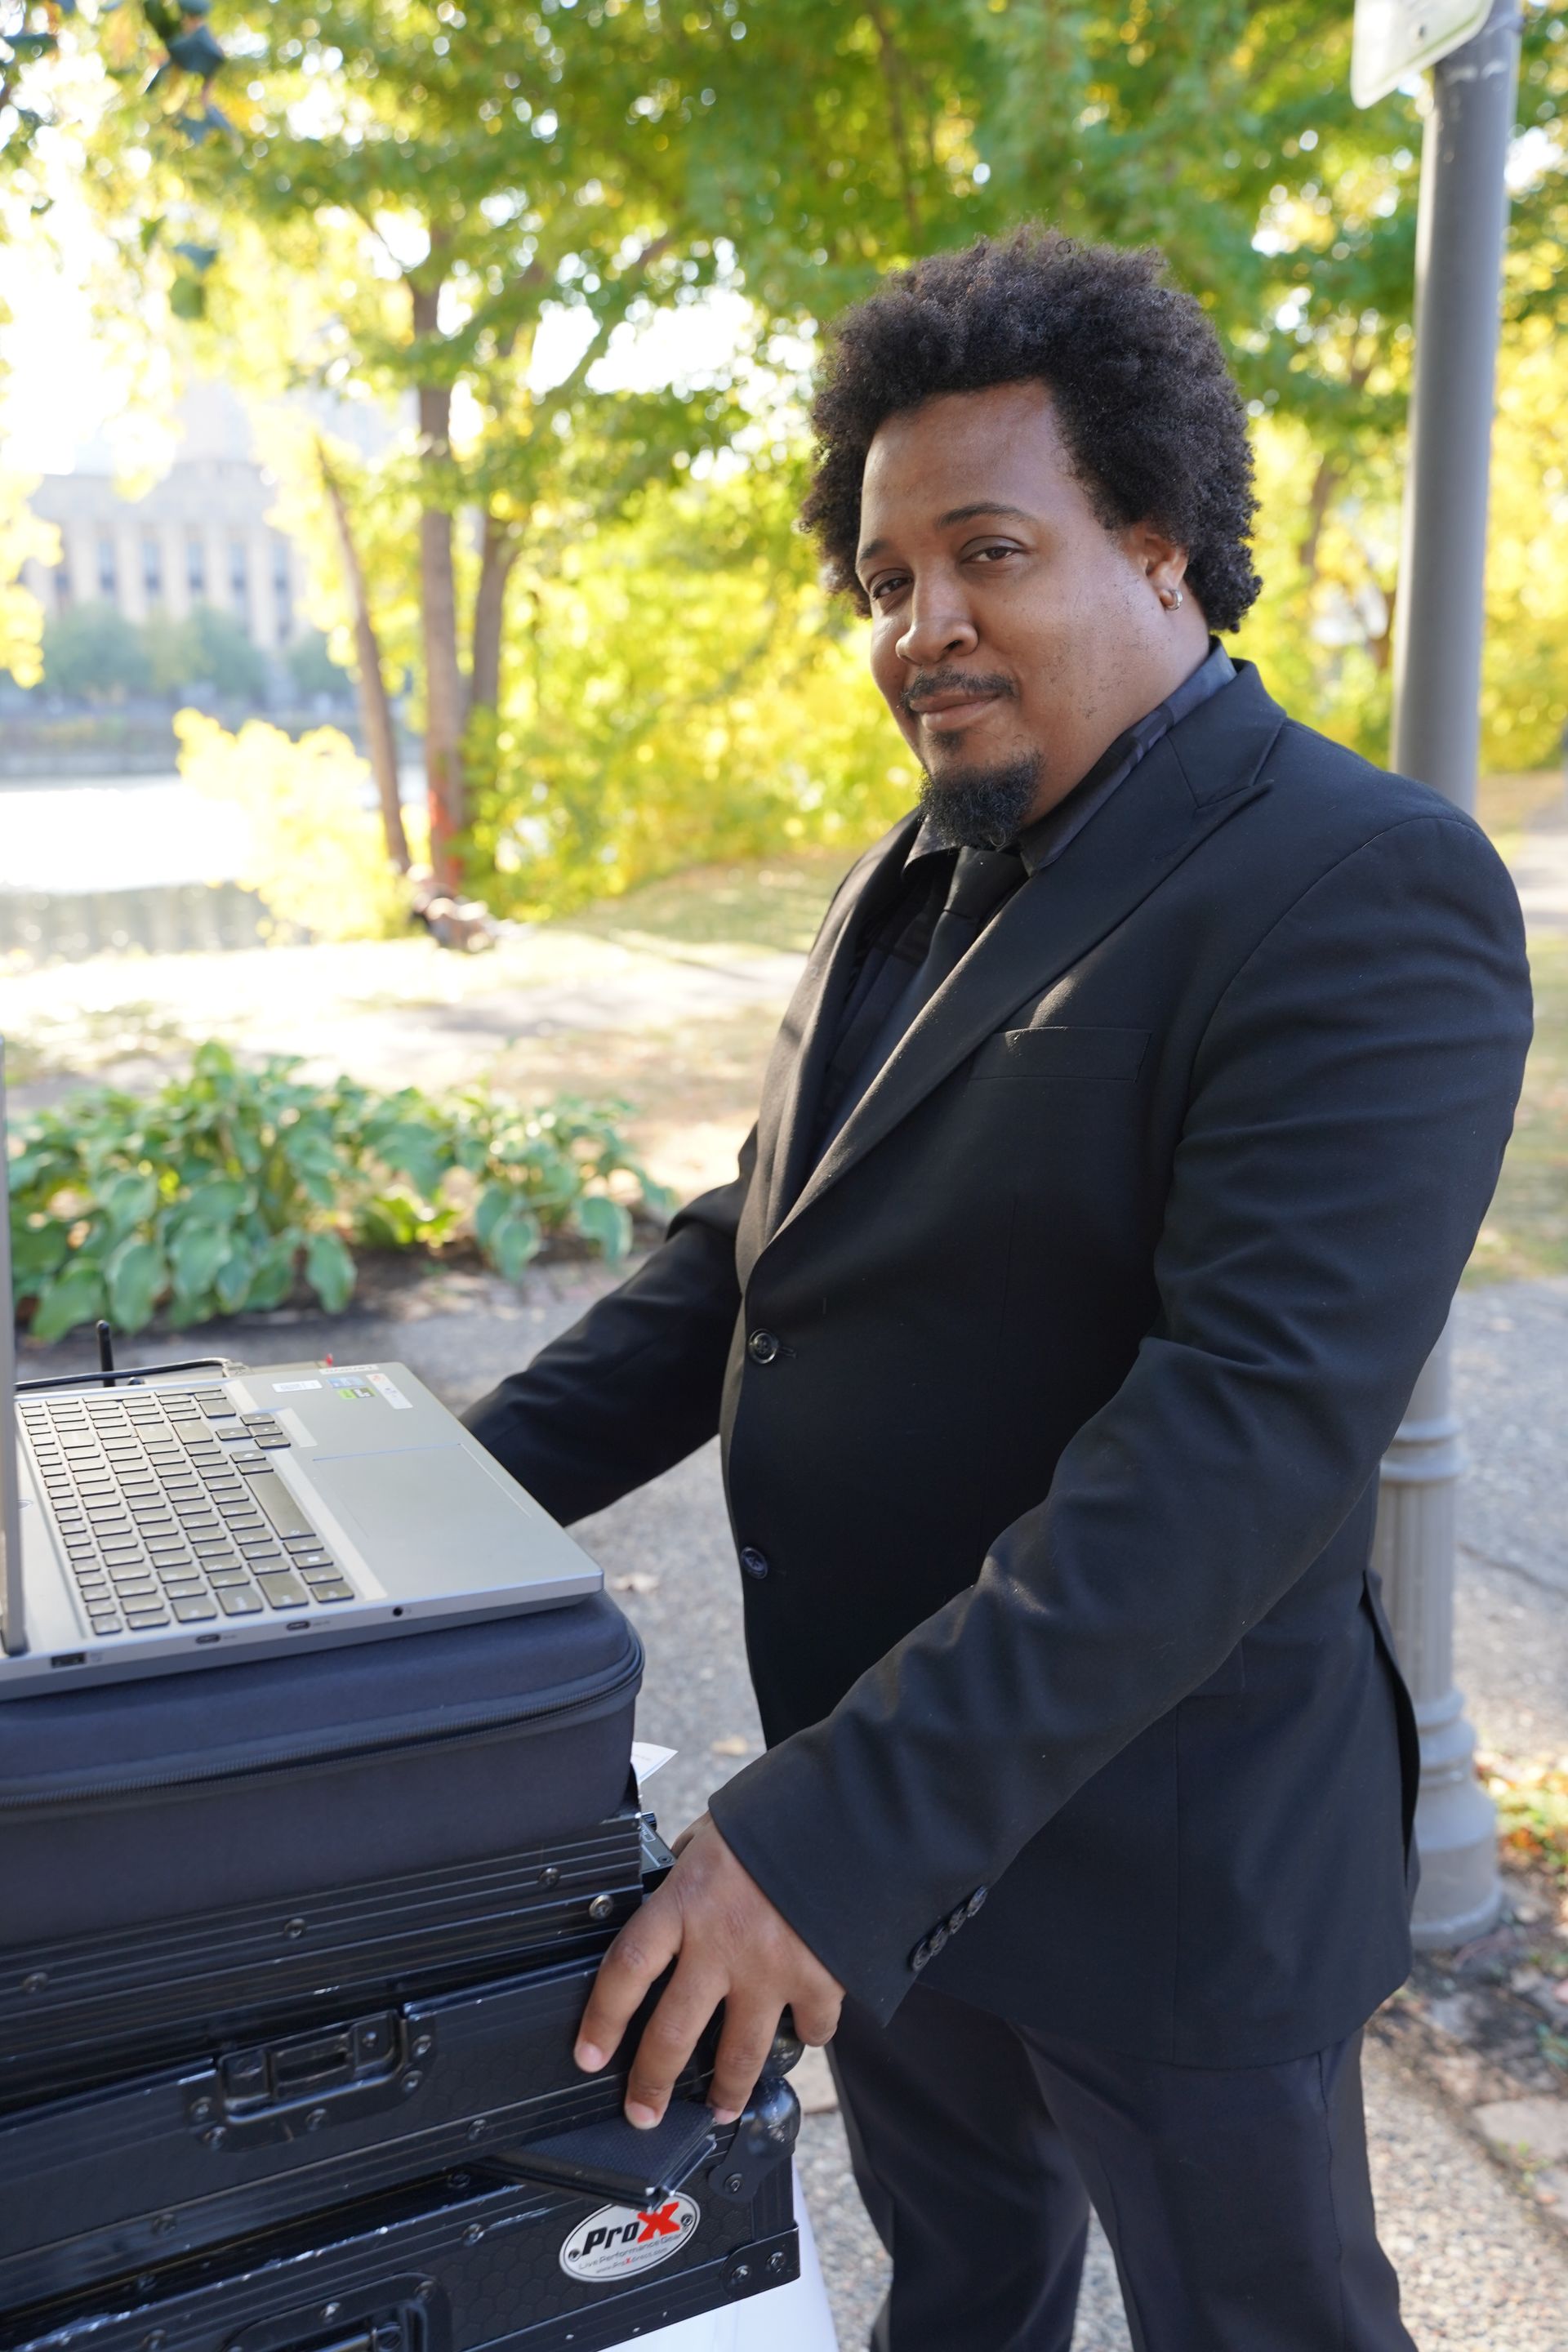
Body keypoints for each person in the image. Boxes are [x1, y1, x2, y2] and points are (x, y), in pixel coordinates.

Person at [464, 229, 1533, 2350]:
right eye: (883, 580)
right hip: (879, 1834)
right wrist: (419, 1507)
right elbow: (753, 1249)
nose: (920, 625)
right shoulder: (926, 848)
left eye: (986, 554)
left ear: (1159, 545)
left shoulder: (1363, 887)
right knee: (960, 2296)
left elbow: (1240, 1437)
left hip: (1159, 1868)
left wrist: (825, 1841)